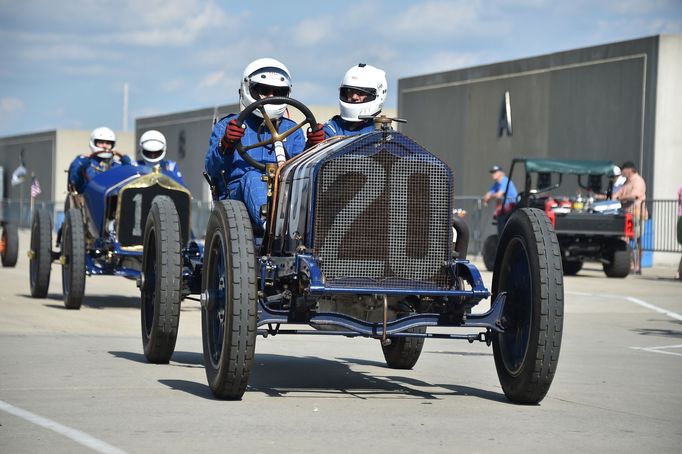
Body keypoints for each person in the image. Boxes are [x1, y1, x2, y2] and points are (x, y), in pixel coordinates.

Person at [204, 58, 324, 231]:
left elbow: (300, 171)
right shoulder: (228, 125)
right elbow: (211, 169)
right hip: (236, 199)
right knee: (254, 177)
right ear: (249, 90)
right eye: (264, 91)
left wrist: (312, 148)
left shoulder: (292, 129)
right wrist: (226, 144)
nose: (270, 97)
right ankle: (273, 229)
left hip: (283, 193)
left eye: (277, 92)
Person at [323, 63, 387, 138]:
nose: (354, 97)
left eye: (361, 93)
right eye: (350, 92)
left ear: (378, 95)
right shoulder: (332, 127)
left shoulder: (383, 132)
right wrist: (314, 141)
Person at [68, 127, 132, 193]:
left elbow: (128, 186)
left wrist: (128, 168)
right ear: (93, 143)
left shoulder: (118, 166)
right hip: (88, 199)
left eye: (108, 143)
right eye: (101, 142)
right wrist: (81, 170)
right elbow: (75, 184)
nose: (104, 146)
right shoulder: (81, 162)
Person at [613, 161, 647, 273]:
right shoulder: (627, 182)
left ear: (629, 170)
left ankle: (637, 266)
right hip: (627, 215)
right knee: (625, 240)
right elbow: (617, 194)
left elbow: (634, 195)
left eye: (623, 170)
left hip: (637, 214)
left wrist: (621, 198)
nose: (622, 172)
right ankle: (631, 264)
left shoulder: (638, 181)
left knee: (637, 240)